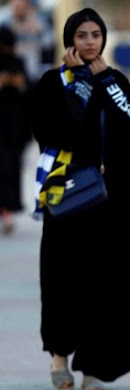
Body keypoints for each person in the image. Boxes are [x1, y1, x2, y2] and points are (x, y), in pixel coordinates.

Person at [32, 8, 130, 390]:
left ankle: (94, 366)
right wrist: (78, 91)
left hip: (113, 202)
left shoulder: (113, 79)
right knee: (63, 280)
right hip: (69, 199)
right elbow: (56, 133)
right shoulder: (54, 83)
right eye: (81, 35)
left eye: (95, 35)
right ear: (70, 39)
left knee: (106, 286)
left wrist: (105, 83)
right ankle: (59, 355)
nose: (89, 42)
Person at [0, 25, 31, 235]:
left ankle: (7, 210)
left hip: (14, 128)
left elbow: (26, 87)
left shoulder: (18, 62)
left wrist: (15, 83)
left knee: (9, 170)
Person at [0, 0, 54, 84]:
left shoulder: (38, 18)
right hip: (10, 72)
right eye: (17, 6)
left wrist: (39, 30)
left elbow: (49, 43)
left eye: (23, 5)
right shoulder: (4, 18)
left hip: (33, 71)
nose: (20, 9)